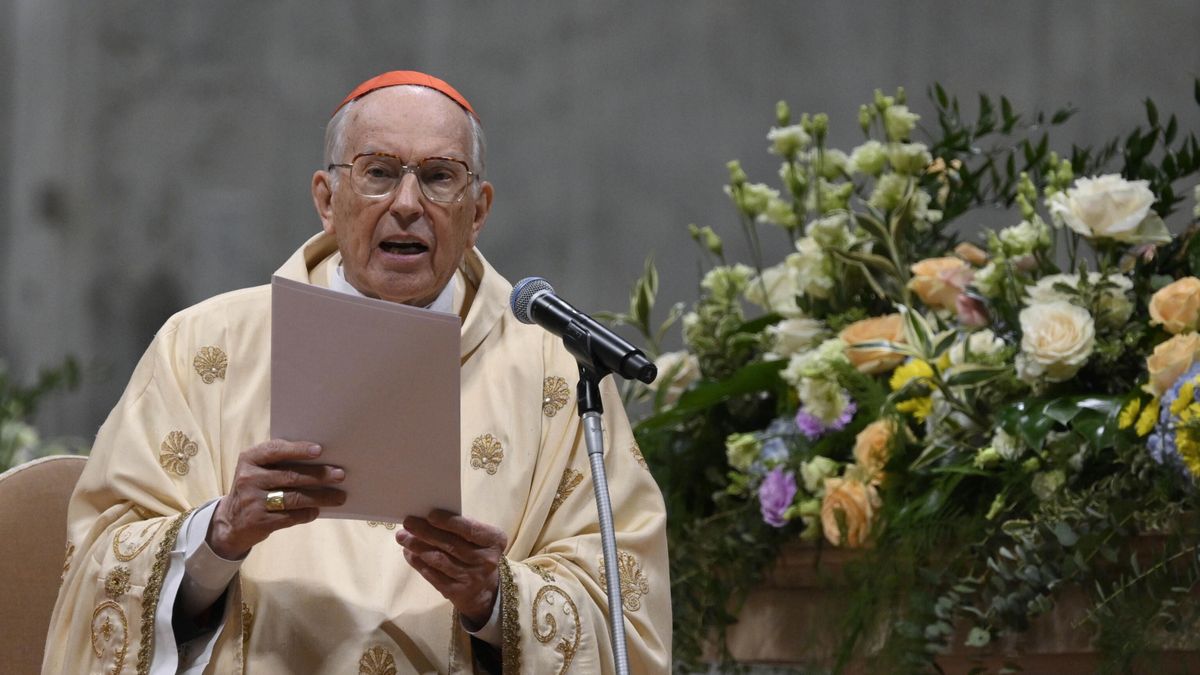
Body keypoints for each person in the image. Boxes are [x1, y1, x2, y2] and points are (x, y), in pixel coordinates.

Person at [43, 71, 671, 674]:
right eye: (377, 173)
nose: (406, 203)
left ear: (478, 211)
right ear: (326, 197)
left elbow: (623, 607)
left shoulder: (555, 374)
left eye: (438, 177)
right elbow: (99, 567)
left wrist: (494, 598)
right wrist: (220, 533)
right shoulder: (205, 346)